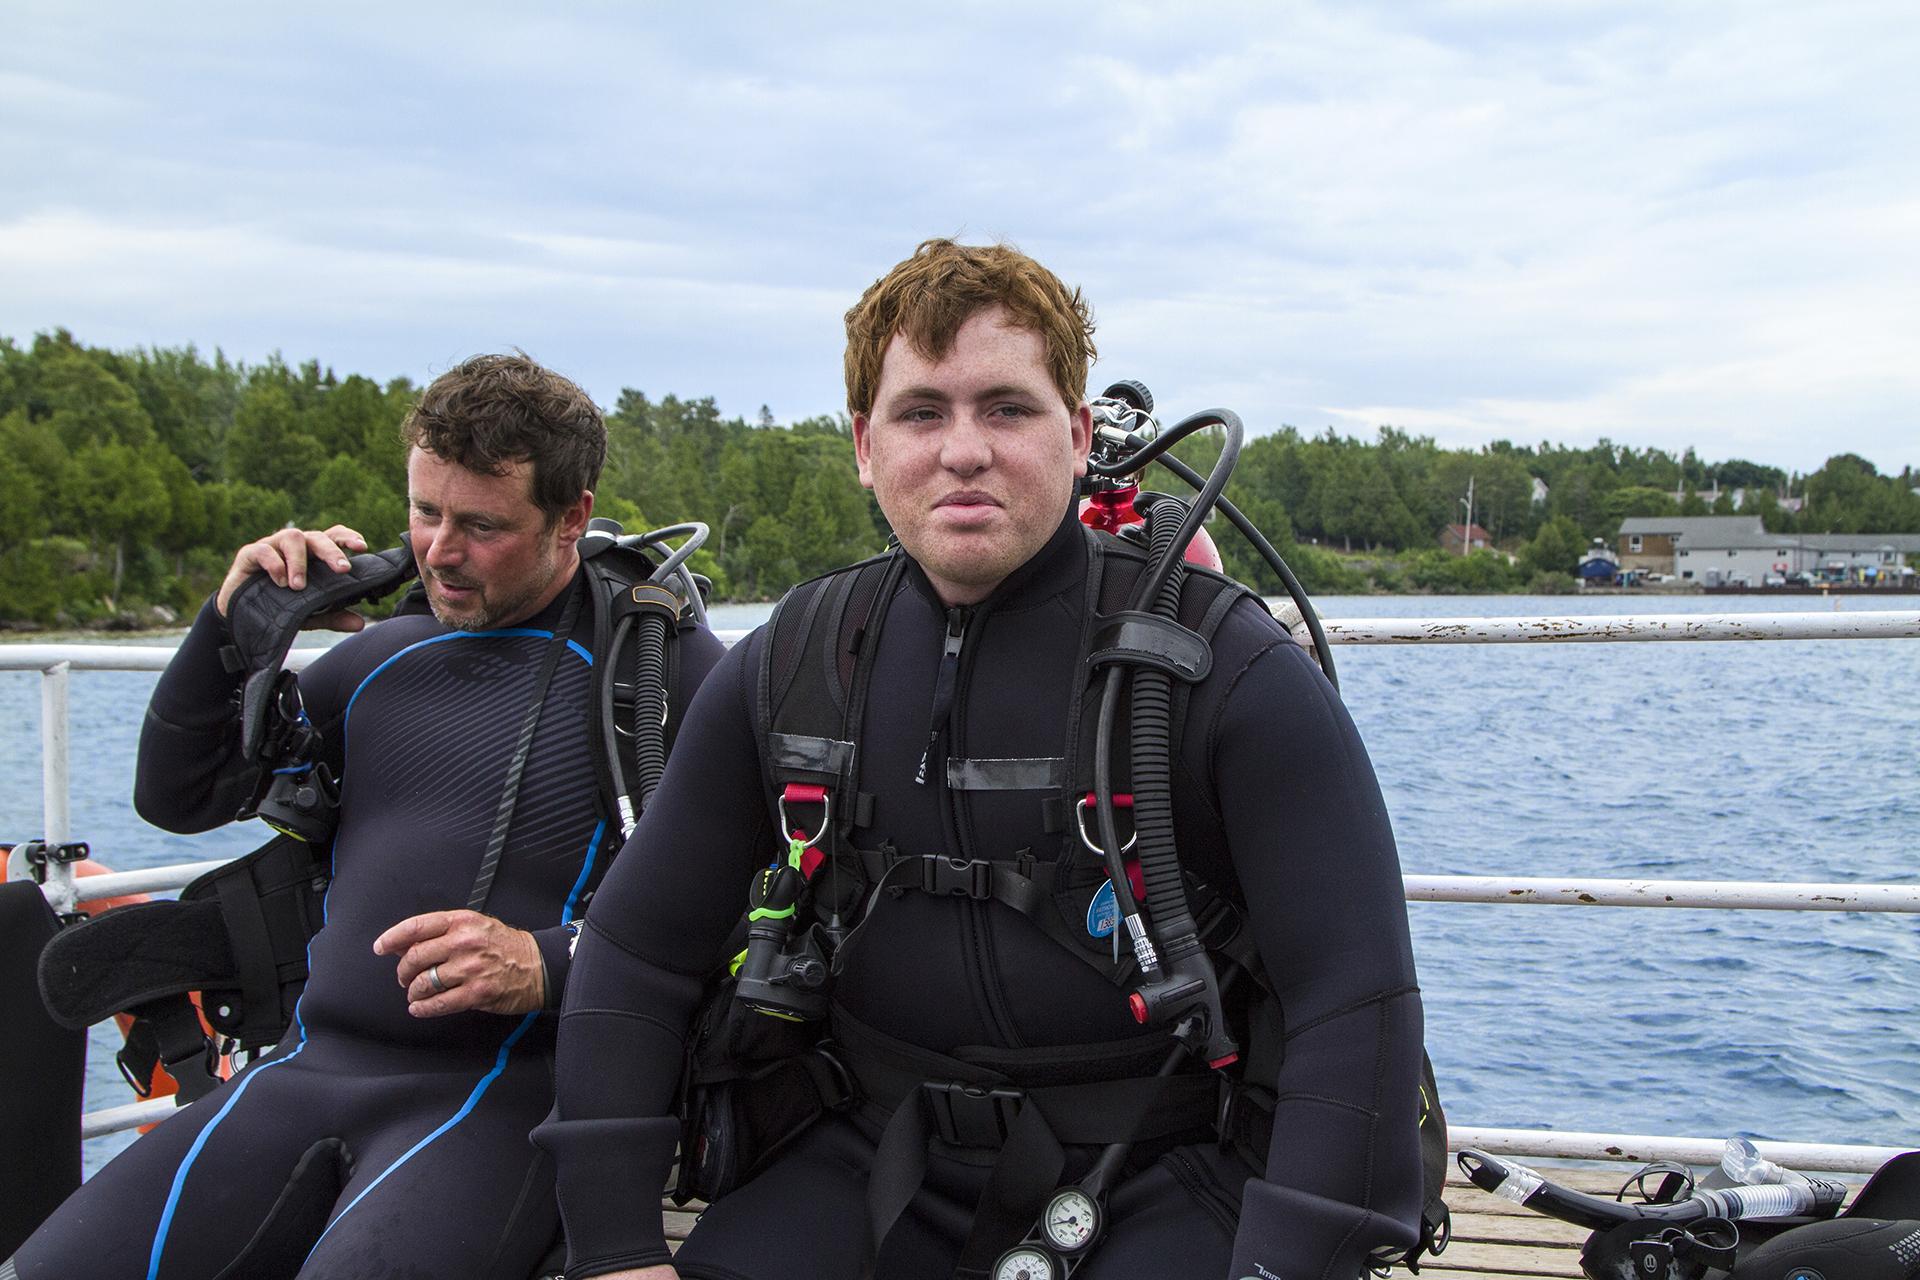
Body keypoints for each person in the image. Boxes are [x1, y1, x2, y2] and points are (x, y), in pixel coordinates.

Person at [535, 241, 1428, 1280]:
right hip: (866, 1154)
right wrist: (612, 1246)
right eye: (923, 412)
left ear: (1080, 435)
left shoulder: (1224, 670)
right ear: (866, 444)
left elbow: (1354, 996)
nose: (965, 450)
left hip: (1159, 1168)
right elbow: (638, 951)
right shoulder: (798, 662)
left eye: (1008, 407)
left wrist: (1293, 1258)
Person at [6, 354, 725, 1280]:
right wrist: (230, 625)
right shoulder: (378, 662)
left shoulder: (665, 681)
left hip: (507, 1096)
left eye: (482, 525)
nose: (439, 550)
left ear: (572, 517)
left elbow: (746, 911)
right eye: (425, 512)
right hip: (305, 1069)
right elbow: (178, 802)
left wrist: (546, 961)